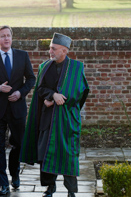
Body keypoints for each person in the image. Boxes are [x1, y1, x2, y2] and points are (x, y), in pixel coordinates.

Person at [20, 33, 89, 197]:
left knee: (68, 155)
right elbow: (40, 89)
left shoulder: (76, 68)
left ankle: (71, 191)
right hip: (47, 119)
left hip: (66, 120)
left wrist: (62, 99)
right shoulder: (45, 66)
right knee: (45, 153)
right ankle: (49, 188)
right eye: (50, 48)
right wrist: (51, 96)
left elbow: (81, 91)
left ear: (64, 51)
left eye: (53, 48)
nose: (50, 51)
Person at [0, 25, 36, 196]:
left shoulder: (22, 55)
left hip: (17, 109)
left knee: (18, 144)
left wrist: (20, 92)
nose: (6, 38)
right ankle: (3, 184)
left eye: (8, 35)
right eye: (2, 36)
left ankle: (15, 173)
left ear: (12, 37)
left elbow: (31, 79)